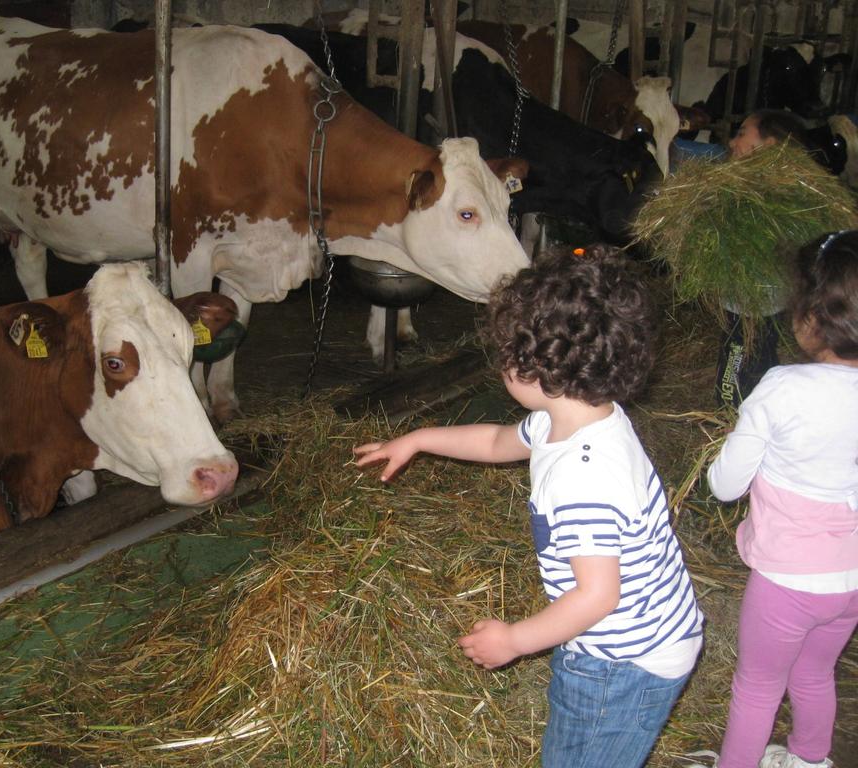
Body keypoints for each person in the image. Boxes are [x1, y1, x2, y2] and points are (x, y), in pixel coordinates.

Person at [354, 246, 705, 768]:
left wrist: (514, 640)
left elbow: (597, 596)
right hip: (645, 632)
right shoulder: (579, 415)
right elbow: (498, 442)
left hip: (623, 661)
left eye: (504, 355)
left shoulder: (582, 475)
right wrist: (419, 438)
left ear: (531, 366)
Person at [702, 230, 858, 768]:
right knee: (815, 672)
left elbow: (725, 484)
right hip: (851, 580)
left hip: (786, 582)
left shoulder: (783, 386)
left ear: (810, 318)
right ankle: (810, 758)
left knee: (757, 687)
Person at [717, 109, 815, 408]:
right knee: (762, 357)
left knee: (735, 365)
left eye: (742, 133)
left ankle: (729, 418)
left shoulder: (762, 194)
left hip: (751, 301)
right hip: (768, 300)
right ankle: (761, 413)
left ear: (769, 145)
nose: (733, 142)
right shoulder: (788, 187)